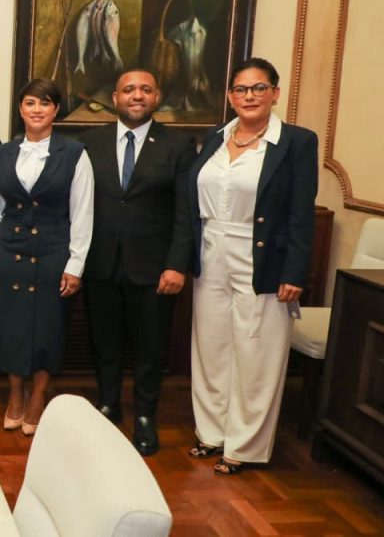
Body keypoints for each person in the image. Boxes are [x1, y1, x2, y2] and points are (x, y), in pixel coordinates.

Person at [188, 57, 317, 475]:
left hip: (263, 256)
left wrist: (295, 272)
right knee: (211, 345)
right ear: (229, 96)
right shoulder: (213, 138)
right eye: (241, 89)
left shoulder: (296, 142)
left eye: (259, 88)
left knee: (257, 348)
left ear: (275, 93)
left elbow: (301, 212)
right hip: (211, 252)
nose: (249, 96)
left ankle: (243, 445)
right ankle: (211, 433)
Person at [80, 69, 195, 456]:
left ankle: (145, 415)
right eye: (129, 89)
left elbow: (185, 212)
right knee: (105, 342)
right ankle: (108, 405)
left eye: (145, 89)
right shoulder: (88, 143)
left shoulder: (178, 146)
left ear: (157, 97)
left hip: (154, 266)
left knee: (149, 347)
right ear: (114, 98)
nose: (137, 95)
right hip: (100, 262)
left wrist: (177, 264)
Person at [0, 78, 94, 435]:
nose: (37, 109)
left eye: (45, 103)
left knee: (48, 326)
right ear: (21, 109)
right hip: (9, 251)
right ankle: (15, 394)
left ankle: (38, 396)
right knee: (10, 326)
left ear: (56, 109)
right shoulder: (2, 154)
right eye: (30, 103)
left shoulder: (75, 154)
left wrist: (75, 264)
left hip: (54, 252)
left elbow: (83, 213)